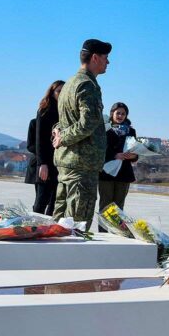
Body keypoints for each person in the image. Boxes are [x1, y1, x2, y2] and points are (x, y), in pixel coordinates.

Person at [52, 39, 110, 227]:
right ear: (95, 58)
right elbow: (88, 122)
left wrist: (60, 133)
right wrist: (63, 138)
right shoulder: (87, 85)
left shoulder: (69, 83)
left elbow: (63, 121)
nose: (108, 62)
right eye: (105, 58)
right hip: (81, 165)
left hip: (69, 163)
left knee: (59, 223)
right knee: (76, 225)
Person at [97, 102, 139, 219]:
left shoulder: (131, 131)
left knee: (119, 207)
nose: (120, 116)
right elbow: (98, 150)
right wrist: (114, 155)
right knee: (105, 205)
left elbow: (135, 151)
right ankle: (104, 233)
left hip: (124, 173)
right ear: (112, 114)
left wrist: (133, 156)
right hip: (106, 173)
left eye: (123, 114)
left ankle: (117, 233)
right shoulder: (104, 129)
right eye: (118, 113)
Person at [29, 80, 64, 215]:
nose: (61, 94)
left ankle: (48, 230)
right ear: (52, 92)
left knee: (55, 201)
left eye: (63, 91)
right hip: (46, 162)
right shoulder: (44, 110)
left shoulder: (67, 111)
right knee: (41, 200)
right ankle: (34, 228)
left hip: (60, 163)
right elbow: (39, 140)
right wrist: (42, 163)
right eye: (58, 91)